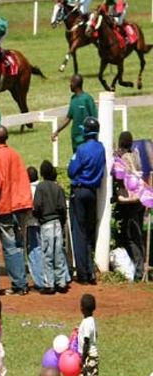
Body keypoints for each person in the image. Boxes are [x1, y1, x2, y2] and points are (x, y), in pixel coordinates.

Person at [0, 126, 33, 295]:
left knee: (10, 247)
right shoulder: (15, 154)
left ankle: (19, 283)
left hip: (6, 206)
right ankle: (21, 280)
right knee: (18, 244)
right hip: (20, 205)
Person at [67, 117, 105, 284]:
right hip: (93, 193)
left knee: (79, 233)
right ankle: (90, 272)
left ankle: (82, 274)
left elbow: (71, 171)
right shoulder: (101, 148)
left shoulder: (81, 149)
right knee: (89, 233)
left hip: (80, 191)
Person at [111, 131, 146, 277]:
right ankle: (139, 267)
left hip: (128, 201)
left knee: (132, 237)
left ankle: (137, 270)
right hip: (140, 199)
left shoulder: (122, 159)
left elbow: (119, 175)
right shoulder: (135, 155)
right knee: (137, 235)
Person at [33, 161, 69, 294]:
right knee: (58, 253)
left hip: (46, 224)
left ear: (42, 173)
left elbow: (37, 206)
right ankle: (61, 282)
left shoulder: (41, 187)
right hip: (57, 223)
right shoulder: (58, 188)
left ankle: (50, 284)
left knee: (47, 254)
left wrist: (38, 217)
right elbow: (62, 208)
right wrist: (62, 221)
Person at [51, 74, 96, 149]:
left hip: (86, 139)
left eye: (71, 82)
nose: (69, 85)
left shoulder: (87, 99)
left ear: (75, 84)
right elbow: (68, 118)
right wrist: (57, 131)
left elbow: (95, 118)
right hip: (75, 139)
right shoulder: (73, 99)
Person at [75, 292, 99, 376]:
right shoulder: (91, 321)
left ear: (82, 308)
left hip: (89, 356)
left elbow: (86, 342)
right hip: (92, 355)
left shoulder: (87, 323)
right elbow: (95, 335)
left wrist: (82, 358)